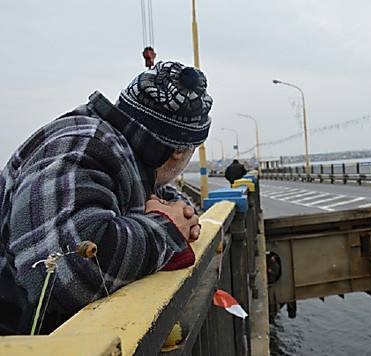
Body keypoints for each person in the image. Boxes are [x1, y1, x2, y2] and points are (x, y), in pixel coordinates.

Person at [0, 61, 213, 334]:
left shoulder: (120, 156)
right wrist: (167, 228)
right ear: (179, 152)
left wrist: (178, 212)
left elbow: (154, 199)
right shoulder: (84, 144)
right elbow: (60, 274)